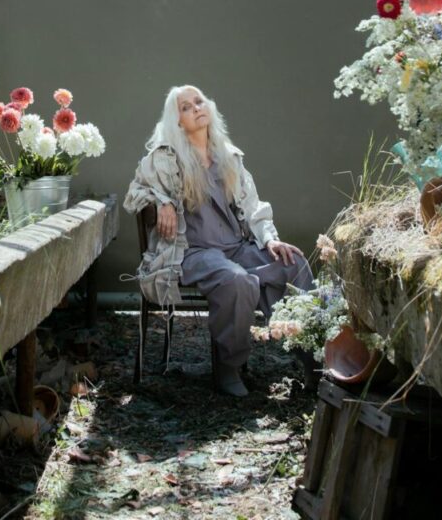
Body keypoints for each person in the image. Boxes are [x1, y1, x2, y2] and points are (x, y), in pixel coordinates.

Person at [124, 84, 313, 397]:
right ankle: (229, 367)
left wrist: (270, 241)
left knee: (293, 264)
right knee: (237, 281)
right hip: (195, 252)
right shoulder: (165, 159)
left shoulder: (229, 157)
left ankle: (312, 356)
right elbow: (136, 191)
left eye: (199, 101)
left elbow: (253, 207)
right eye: (186, 107)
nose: (196, 108)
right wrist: (163, 201)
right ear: (177, 121)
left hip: (237, 247)